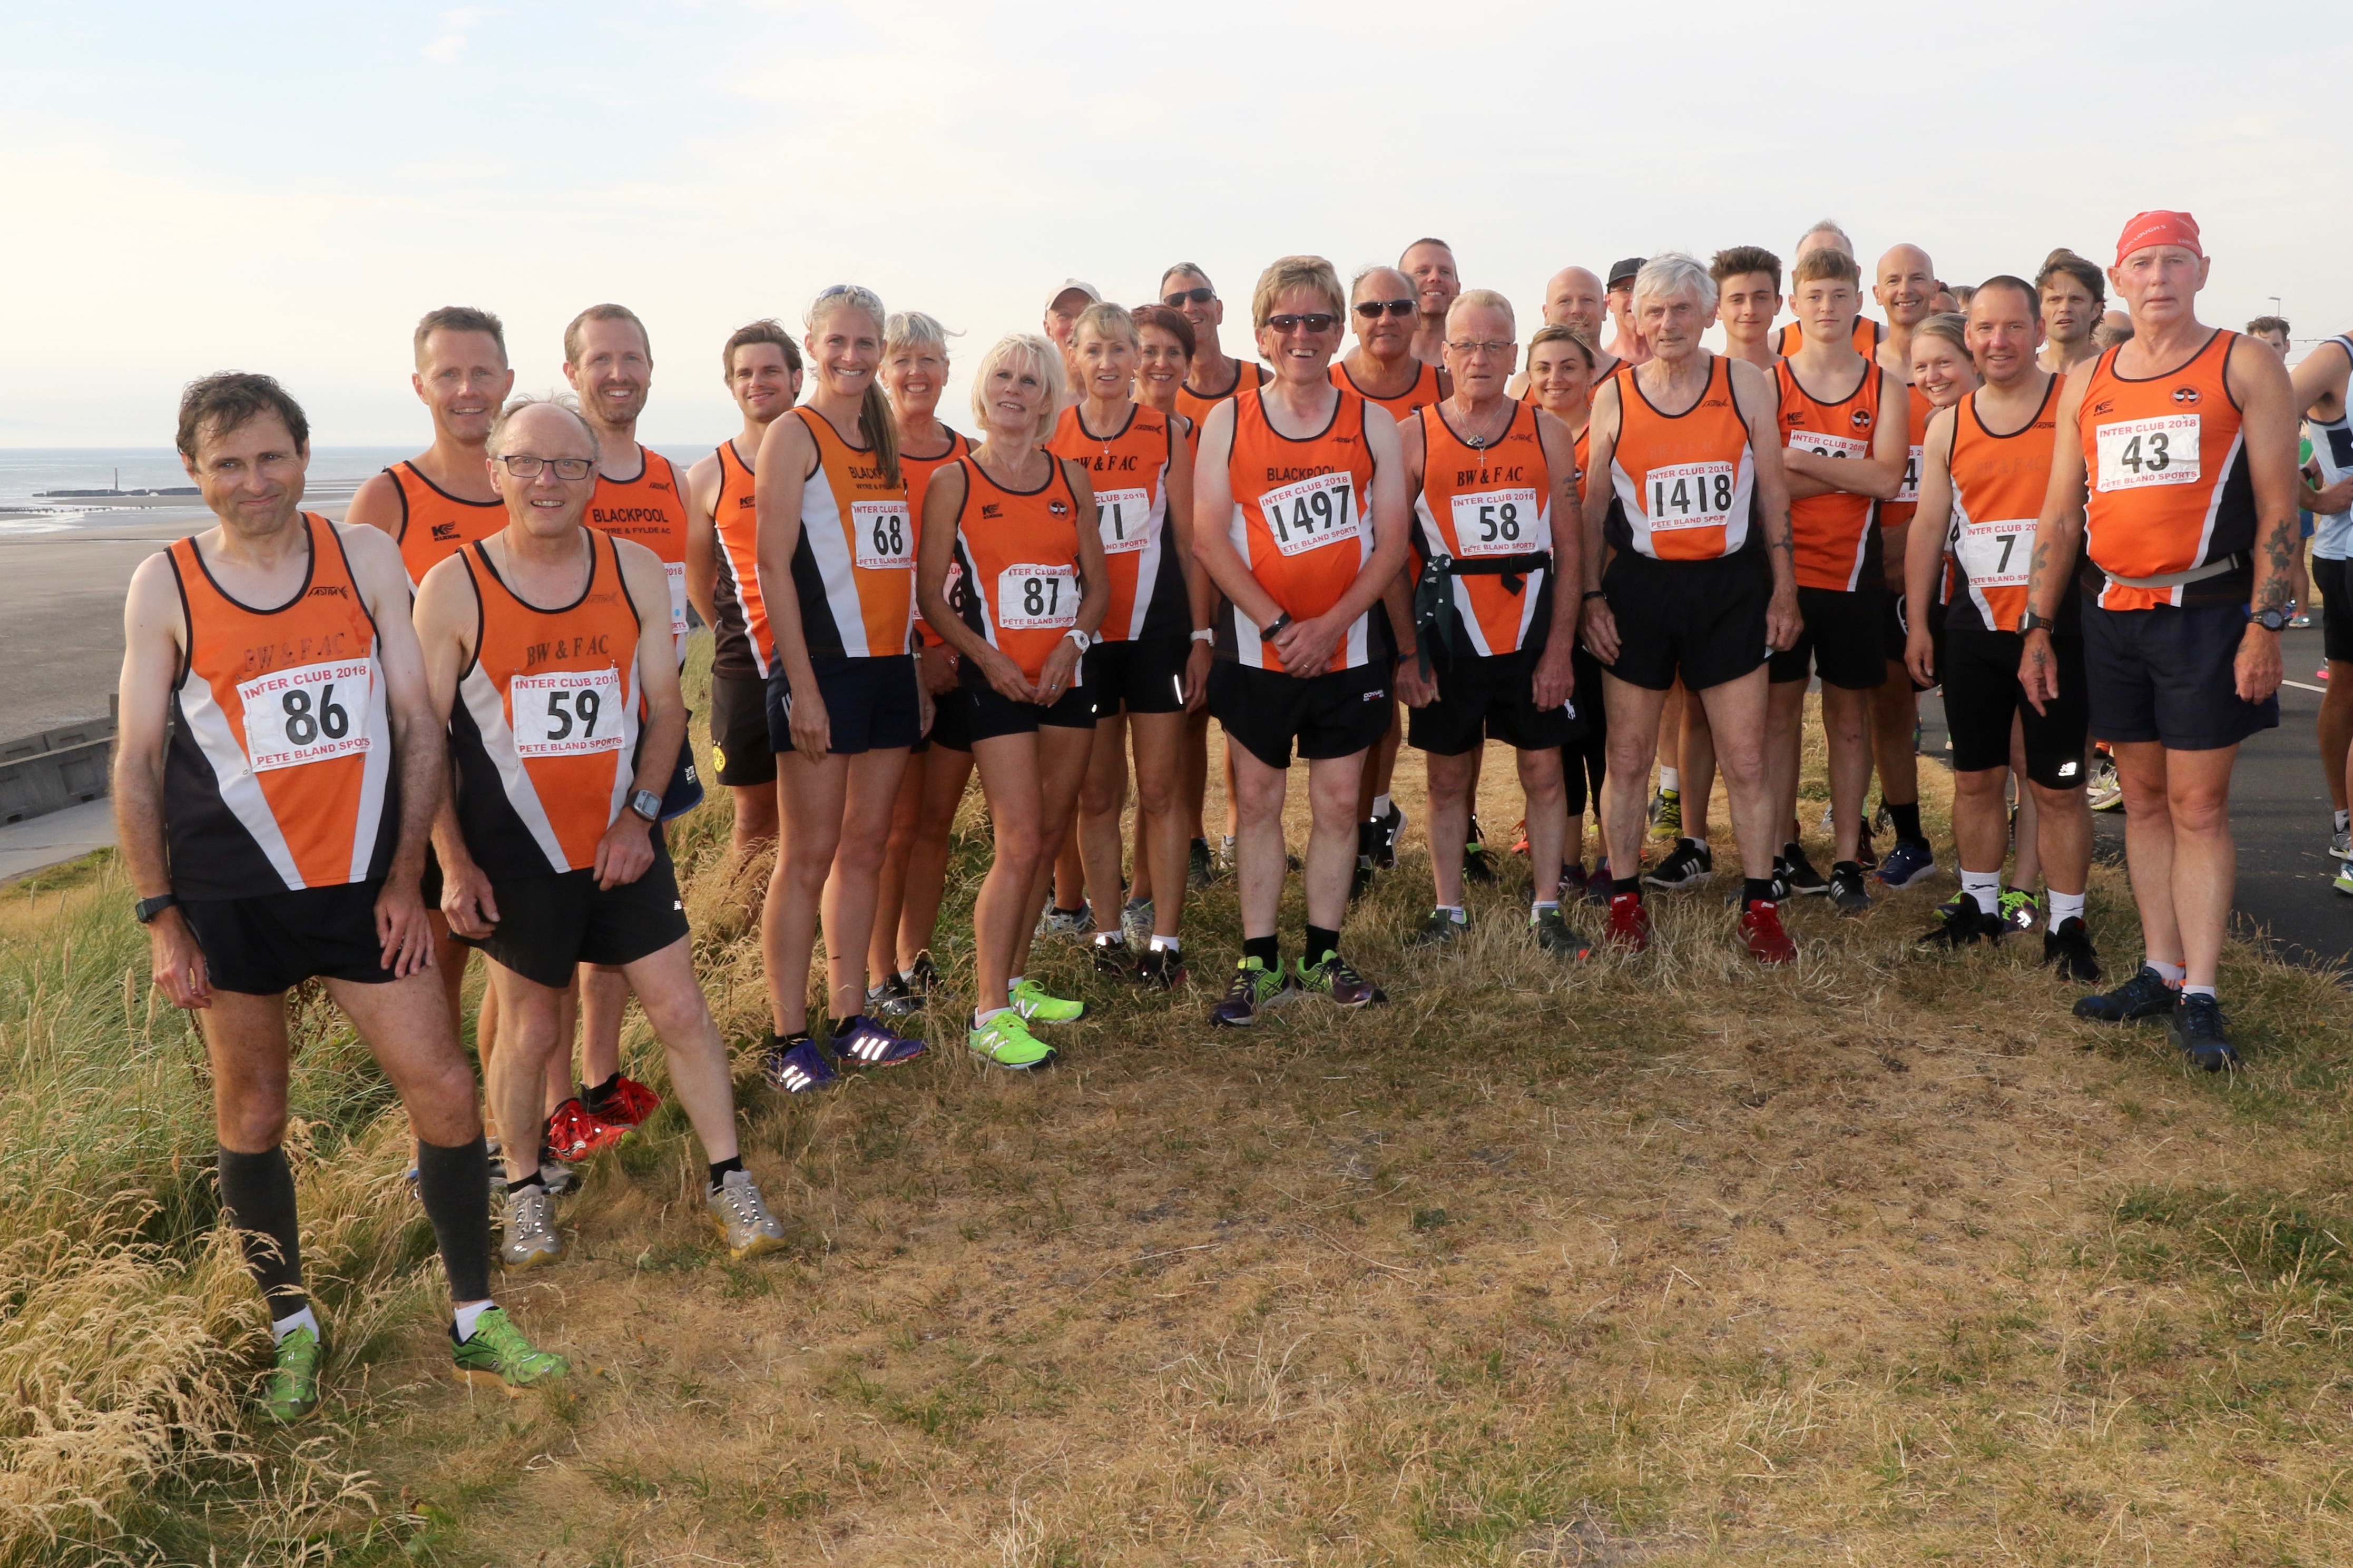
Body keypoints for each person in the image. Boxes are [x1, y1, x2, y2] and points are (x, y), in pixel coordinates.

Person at [116, 372, 563, 1421]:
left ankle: (474, 1317)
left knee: (445, 1091)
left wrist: (408, 877)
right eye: (228, 463)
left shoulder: (360, 556)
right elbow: (134, 761)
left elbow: (417, 722)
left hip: (365, 890)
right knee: (255, 1111)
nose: (254, 480)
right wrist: (160, 916)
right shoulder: (165, 582)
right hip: (231, 896)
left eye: (272, 457)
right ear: (193, 471)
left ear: (304, 456)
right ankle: (294, 1329)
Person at [417, 395, 788, 1268]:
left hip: (624, 841)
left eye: (569, 465)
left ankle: (729, 1178)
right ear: (496, 472)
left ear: (593, 478)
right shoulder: (453, 586)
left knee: (681, 1009)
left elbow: (666, 707)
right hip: (515, 855)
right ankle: (524, 1190)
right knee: (529, 1032)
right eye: (526, 463)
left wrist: (641, 816)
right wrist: (453, 864)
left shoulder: (633, 570)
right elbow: (422, 740)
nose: (547, 481)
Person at [2021, 210, 2298, 1069]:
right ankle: (2160, 967)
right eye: (2142, 264)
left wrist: (2264, 624)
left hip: (2208, 613)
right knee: (2140, 799)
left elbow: (2280, 507)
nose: (2158, 278)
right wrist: (2038, 625)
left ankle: (2201, 991)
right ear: (2119, 277)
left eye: (2174, 261)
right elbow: (2060, 516)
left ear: (2201, 270)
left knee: (2197, 806)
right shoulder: (2087, 379)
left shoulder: (2242, 363)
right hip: (2111, 614)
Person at [1192, 254, 1411, 1024]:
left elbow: (1390, 543)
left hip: (1348, 648)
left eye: (1318, 320)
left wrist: (1331, 626)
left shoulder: (1371, 423)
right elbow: (1208, 539)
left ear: (1337, 328)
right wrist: (1283, 627)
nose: (1302, 335)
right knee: (1256, 800)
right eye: (1285, 321)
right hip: (1259, 650)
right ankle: (1258, 960)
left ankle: (1322, 954)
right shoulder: (1229, 420)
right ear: (1261, 335)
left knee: (1339, 801)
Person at [1580, 254, 1802, 961]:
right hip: (1640, 590)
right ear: (1636, 319)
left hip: (1727, 587)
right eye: (1654, 311)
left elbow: (1773, 492)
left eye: (1681, 309)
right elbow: (1591, 509)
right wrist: (1589, 597)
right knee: (1626, 755)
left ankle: (1760, 904)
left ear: (1707, 314)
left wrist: (1784, 589)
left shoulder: (1744, 383)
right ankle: (1624, 899)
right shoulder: (1615, 395)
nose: (1668, 323)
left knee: (1745, 756)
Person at [747, 285, 931, 1089]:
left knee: (865, 848)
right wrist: (804, 688)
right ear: (813, 345)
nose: (852, 356)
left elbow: (891, 565)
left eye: (866, 344)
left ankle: (850, 1018)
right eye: (838, 342)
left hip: (887, 667)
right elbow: (770, 564)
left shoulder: (879, 433)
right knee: (807, 857)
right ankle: (787, 1038)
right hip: (821, 666)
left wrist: (913, 666)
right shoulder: (795, 433)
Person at [916, 333, 1106, 1067]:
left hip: (1064, 679)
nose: (1014, 391)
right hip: (993, 683)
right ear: (983, 389)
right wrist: (987, 658)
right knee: (1019, 840)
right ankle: (987, 1012)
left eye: (1030, 381)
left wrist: (1072, 646)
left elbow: (1097, 587)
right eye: (1003, 376)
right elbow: (931, 597)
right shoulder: (954, 482)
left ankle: (1018, 983)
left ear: (1049, 397)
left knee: (1050, 834)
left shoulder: (1071, 478)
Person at [1904, 290, 2099, 979]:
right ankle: (1980, 908)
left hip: (2058, 629)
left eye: (2013, 326)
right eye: (1984, 327)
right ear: (1970, 336)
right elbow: (1928, 527)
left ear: (2037, 329)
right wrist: (1918, 621)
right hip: (1974, 628)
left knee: (2057, 787)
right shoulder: (1947, 425)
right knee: (1976, 779)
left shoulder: (2072, 404)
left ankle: (2066, 924)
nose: (1998, 340)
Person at [1394, 290, 1590, 956]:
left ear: (1513, 357)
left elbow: (1570, 549)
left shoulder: (1546, 432)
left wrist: (1559, 650)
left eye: (1494, 345)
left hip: (1530, 629)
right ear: (1444, 355)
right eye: (1466, 345)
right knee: (1447, 778)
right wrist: (1408, 653)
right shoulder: (1413, 435)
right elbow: (1389, 553)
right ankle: (1447, 909)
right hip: (1449, 633)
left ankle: (1546, 907)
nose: (1479, 358)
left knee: (1543, 771)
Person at [346, 307, 515, 1036]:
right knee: (437, 959)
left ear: (507, 380)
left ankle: (528, 1103)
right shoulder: (388, 499)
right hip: (427, 773)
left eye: (482, 372)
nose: (467, 389)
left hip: (526, 767)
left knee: (528, 969)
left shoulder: (537, 481)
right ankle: (446, 1111)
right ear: (421, 386)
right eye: (449, 374)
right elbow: (357, 654)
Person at [563, 304, 705, 1150]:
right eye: (601, 359)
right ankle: (555, 1104)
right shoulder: (561, 474)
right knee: (555, 925)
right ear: (572, 371)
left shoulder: (669, 479)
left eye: (633, 359)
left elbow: (689, 598)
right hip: (568, 738)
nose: (619, 374)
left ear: (651, 369)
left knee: (623, 905)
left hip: (653, 726)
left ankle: (599, 1079)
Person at [1046, 304, 1212, 988]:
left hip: (1157, 636)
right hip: (1084, 641)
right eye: (1095, 350)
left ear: (1136, 359)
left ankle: (1164, 939)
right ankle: (1107, 934)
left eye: (1121, 350)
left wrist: (1201, 635)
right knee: (1095, 795)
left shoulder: (1169, 432)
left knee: (1162, 790)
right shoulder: (1054, 433)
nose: (1109, 363)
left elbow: (1190, 542)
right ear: (1075, 358)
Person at [1767, 245, 1910, 911]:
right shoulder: (1769, 382)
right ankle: (1778, 849)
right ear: (1793, 304)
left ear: (1859, 301)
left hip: (1854, 577)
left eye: (1838, 295)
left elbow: (1885, 479)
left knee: (1848, 721)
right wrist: (1844, 471)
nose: (1826, 307)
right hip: (1782, 576)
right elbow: (1763, 487)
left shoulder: (1884, 386)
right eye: (1813, 296)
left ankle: (1848, 857)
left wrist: (1801, 458)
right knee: (1778, 719)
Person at [868, 311, 976, 1014]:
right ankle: (877, 974)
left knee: (936, 823)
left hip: (961, 660)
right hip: (892, 665)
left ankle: (917, 959)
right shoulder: (865, 456)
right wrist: (915, 653)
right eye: (903, 360)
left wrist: (952, 650)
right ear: (883, 370)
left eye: (929, 360)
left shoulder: (971, 456)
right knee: (894, 829)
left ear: (946, 370)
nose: (916, 373)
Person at [1335, 265, 1452, 890]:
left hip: (1428, 583)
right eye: (1371, 308)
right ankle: (1356, 833)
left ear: (1418, 314)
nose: (1385, 319)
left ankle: (1387, 822)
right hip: (1347, 585)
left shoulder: (1444, 384)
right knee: (1361, 717)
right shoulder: (1324, 385)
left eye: (1398, 307)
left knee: (1424, 714)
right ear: (1351, 318)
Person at [1161, 263, 1265, 884]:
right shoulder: (1161, 392)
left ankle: (1235, 832)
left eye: (1199, 295)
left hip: (1248, 567)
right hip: (1187, 571)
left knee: (1243, 711)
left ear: (1220, 308)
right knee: (1190, 712)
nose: (1190, 306)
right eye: (1176, 299)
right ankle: (1194, 837)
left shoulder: (1259, 383)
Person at [685, 320, 802, 874]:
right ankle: (741, 924)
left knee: (830, 816)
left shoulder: (826, 462)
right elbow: (698, 578)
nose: (758, 382)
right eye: (745, 373)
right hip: (747, 668)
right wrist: (739, 632)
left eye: (770, 370)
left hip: (828, 662)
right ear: (731, 385)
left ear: (797, 378)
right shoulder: (708, 475)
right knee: (755, 822)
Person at [1866, 244, 1945, 885]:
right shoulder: (1861, 374)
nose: (1904, 289)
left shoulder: (1958, 367)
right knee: (1888, 707)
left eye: (1916, 278)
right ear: (1876, 293)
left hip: (1964, 568)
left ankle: (2005, 835)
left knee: (1984, 713)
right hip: (1883, 570)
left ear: (1934, 286)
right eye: (1892, 280)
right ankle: (1909, 837)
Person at [1525, 326, 1613, 896]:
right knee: (1559, 735)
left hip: (1603, 603)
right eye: (1543, 368)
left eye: (1568, 367)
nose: (1555, 379)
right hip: (1545, 607)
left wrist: (1591, 596)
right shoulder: (1522, 436)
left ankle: (1613, 858)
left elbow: (1610, 524)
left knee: (1606, 736)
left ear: (1590, 375)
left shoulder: (1607, 433)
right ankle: (1566, 859)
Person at [2289, 330, 2353, 885]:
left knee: (2346, 688)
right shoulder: (2337, 357)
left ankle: (2345, 826)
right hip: (2345, 551)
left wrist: (2312, 472)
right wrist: (2310, 497)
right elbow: (2260, 420)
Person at [1772, 221, 1883, 356]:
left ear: (1856, 272)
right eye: (1812, 262)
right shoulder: (1773, 349)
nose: (1825, 267)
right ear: (1795, 277)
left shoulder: (1884, 343)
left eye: (1837, 260)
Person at [1506, 267, 1610, 398]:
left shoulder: (1627, 380)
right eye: (1565, 301)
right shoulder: (1524, 387)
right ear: (1546, 313)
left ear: (1604, 309)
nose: (1577, 310)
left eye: (1587, 300)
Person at [2036, 249, 2106, 376]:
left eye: (2076, 300)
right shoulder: (2022, 373)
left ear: (2096, 310)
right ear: (2040, 309)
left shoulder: (2119, 370)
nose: (2065, 308)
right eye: (2054, 300)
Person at [1713, 247, 1783, 372]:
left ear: (1777, 304)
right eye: (1737, 300)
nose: (1749, 311)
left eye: (1761, 298)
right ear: (1716, 308)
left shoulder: (1800, 378)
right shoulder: (1702, 379)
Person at [1400, 238, 1462, 368]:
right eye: (1423, 271)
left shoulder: (1472, 361)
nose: (1435, 278)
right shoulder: (1376, 361)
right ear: (1400, 286)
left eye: (1445, 272)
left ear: (1458, 287)